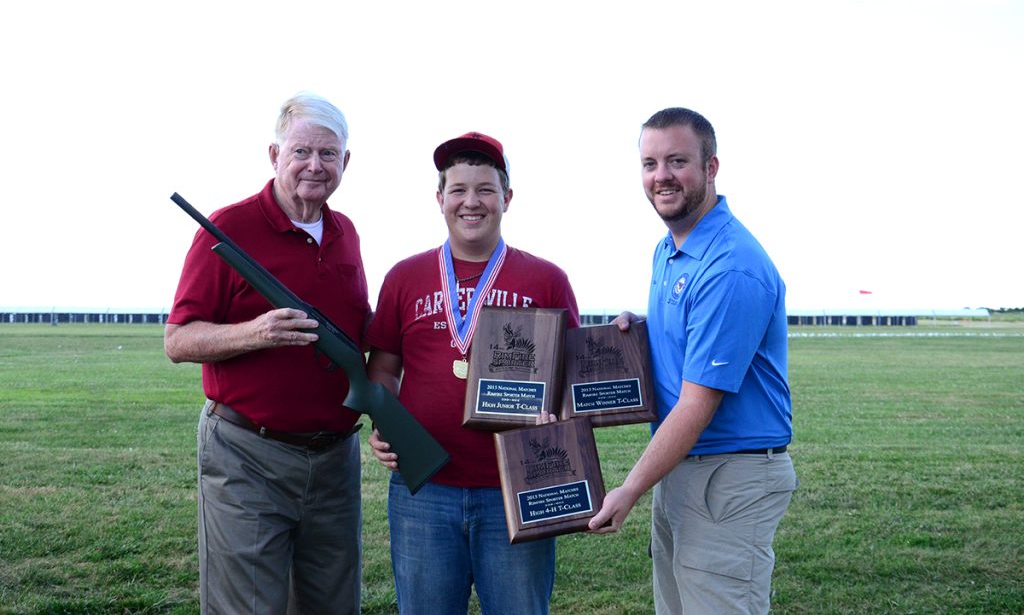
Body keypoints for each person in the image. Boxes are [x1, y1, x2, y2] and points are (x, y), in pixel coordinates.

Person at [164, 93, 370, 614]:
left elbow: (359, 330)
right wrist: (254, 333)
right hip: (247, 455)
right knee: (247, 606)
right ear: (274, 155)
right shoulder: (228, 229)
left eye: (328, 154)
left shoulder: (346, 234)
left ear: (346, 162)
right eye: (302, 151)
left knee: (333, 603)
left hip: (334, 460)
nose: (314, 166)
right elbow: (179, 339)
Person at [588, 107, 798, 614]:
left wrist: (630, 488)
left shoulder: (730, 266)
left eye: (677, 160)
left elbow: (697, 404)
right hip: (684, 469)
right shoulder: (671, 248)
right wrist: (635, 336)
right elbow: (685, 346)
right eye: (649, 163)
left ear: (711, 167)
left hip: (728, 477)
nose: (661, 176)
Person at [365, 131, 580, 615]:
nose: (471, 202)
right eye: (458, 189)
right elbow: (383, 367)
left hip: (515, 490)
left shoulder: (546, 279)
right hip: (424, 490)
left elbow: (571, 378)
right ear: (439, 199)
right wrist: (386, 422)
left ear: (506, 198)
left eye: (485, 189)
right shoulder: (404, 276)